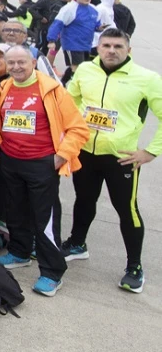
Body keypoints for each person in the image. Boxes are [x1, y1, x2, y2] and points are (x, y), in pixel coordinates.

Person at [64, 28, 162, 293]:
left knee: (126, 209)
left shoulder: (147, 78)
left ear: (128, 50)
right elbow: (69, 102)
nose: (111, 50)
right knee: (84, 200)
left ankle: (134, 267)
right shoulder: (85, 70)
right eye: (106, 45)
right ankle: (77, 243)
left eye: (118, 46)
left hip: (121, 158)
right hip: (85, 152)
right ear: (97, 48)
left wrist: (150, 152)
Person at [0, 45, 89, 297]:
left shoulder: (52, 89)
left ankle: (51, 272)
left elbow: (78, 129)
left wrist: (60, 157)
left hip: (42, 164)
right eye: (10, 63)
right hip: (11, 161)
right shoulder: (6, 87)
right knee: (15, 210)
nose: (15, 67)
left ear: (33, 61)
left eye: (21, 62)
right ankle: (19, 251)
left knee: (44, 219)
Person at [46, 0, 100, 85]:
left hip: (87, 44)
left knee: (82, 66)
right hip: (72, 43)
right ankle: (76, 86)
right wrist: (51, 40)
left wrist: (100, 28)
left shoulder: (93, 9)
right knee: (77, 67)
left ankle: (63, 82)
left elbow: (95, 24)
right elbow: (57, 23)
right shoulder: (70, 8)